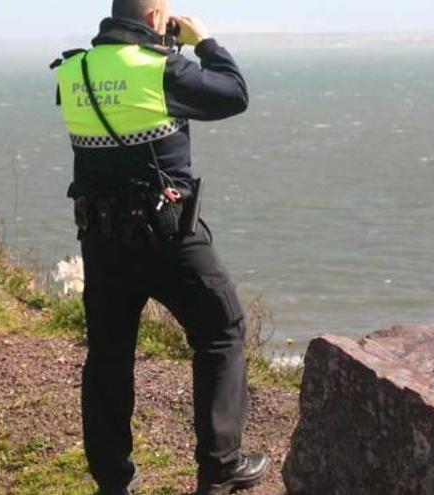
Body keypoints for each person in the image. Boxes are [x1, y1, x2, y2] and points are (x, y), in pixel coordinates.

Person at [51, 1, 270, 494]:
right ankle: (219, 468)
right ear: (154, 16)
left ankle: (112, 481)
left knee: (109, 355)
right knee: (221, 328)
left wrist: (160, 44)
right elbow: (233, 94)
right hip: (166, 235)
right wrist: (202, 41)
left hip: (102, 241)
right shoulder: (161, 70)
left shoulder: (72, 70)